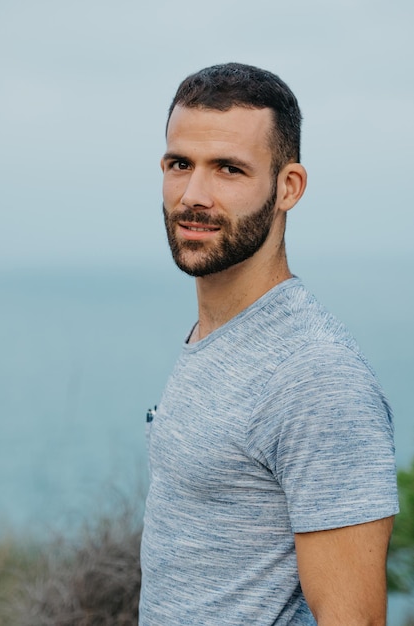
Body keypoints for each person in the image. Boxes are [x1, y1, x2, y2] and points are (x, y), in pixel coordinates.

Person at [139, 62, 399, 625]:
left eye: (229, 169)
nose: (194, 194)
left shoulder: (318, 378)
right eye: (180, 164)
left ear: (288, 187)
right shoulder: (216, 333)